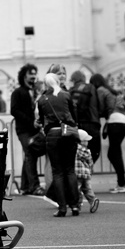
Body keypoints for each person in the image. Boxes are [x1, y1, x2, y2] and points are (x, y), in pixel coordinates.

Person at [37, 73, 80, 217]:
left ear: (45, 84)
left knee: (58, 172)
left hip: (52, 134)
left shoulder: (42, 99)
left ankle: (62, 208)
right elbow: (74, 114)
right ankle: (75, 206)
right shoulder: (66, 95)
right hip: (68, 133)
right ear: (58, 82)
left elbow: (41, 120)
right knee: (70, 170)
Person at [90, 73, 125, 193]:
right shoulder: (111, 91)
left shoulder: (100, 91)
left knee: (114, 154)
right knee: (115, 153)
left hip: (114, 122)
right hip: (123, 121)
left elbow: (101, 107)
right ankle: (121, 183)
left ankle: (122, 184)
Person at [10, 63, 43, 196]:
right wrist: (30, 121)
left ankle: (25, 186)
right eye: (31, 74)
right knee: (30, 152)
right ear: (24, 76)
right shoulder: (17, 92)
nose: (33, 76)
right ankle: (34, 186)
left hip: (35, 130)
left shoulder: (36, 92)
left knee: (30, 155)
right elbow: (14, 110)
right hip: (23, 130)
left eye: (35, 74)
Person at [69, 70, 101, 163]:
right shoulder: (91, 87)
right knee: (94, 151)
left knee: (79, 152)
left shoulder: (71, 91)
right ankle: (88, 168)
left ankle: (83, 169)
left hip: (78, 125)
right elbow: (97, 105)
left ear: (73, 80)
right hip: (92, 123)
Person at [75, 129, 99, 213]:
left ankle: (77, 205)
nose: (87, 142)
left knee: (77, 190)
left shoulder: (74, 149)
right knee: (87, 189)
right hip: (86, 174)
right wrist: (91, 170)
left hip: (76, 173)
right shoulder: (86, 151)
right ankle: (93, 200)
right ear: (81, 141)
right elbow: (90, 162)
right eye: (86, 140)